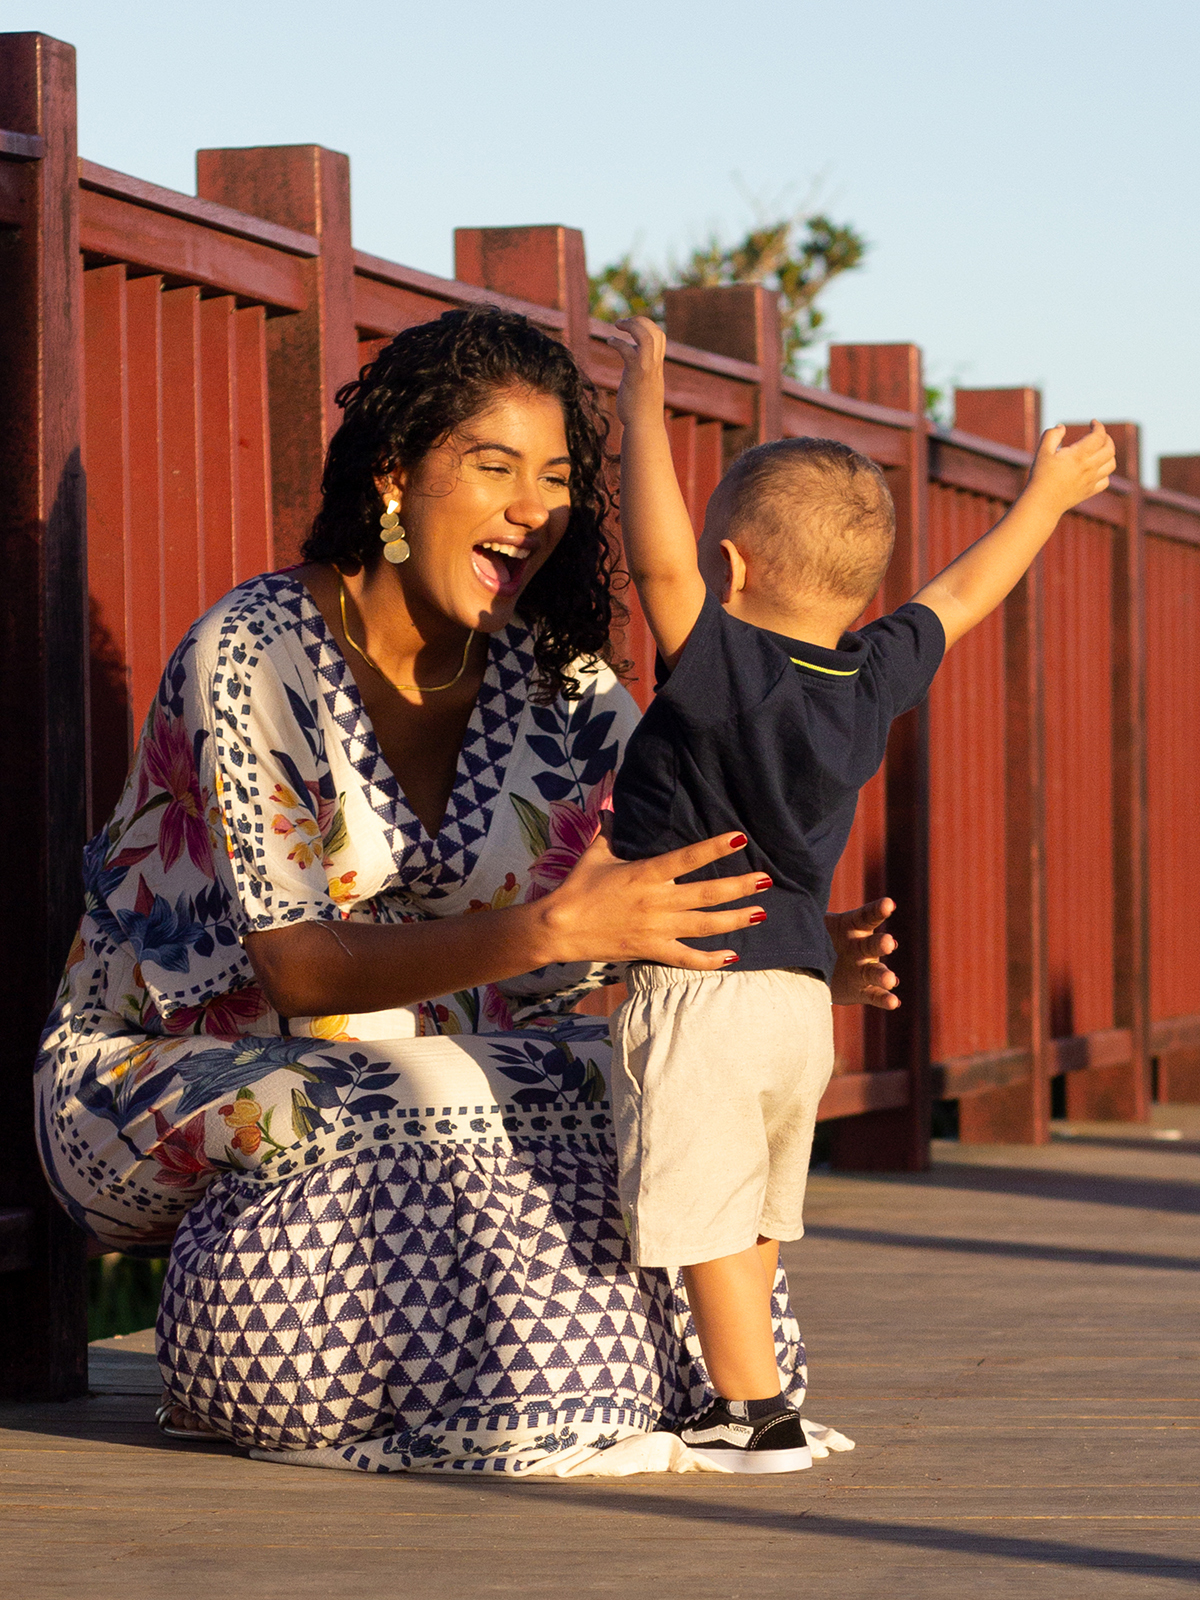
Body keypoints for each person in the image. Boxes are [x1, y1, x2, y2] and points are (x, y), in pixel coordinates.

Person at [36, 306, 899, 1475]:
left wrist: (786, 948)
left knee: (660, 1081)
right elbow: (295, 967)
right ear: (396, 477)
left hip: (455, 1072)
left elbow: (669, 875)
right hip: (168, 1070)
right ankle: (341, 1377)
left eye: (556, 477)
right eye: (494, 466)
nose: (533, 506)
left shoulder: (564, 682)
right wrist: (553, 927)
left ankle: (686, 1395)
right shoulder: (256, 651)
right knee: (405, 1083)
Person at [607, 315, 1115, 1473]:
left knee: (709, 1207)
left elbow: (659, 565)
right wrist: (1045, 497)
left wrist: (640, 404)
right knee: (758, 1205)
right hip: (796, 995)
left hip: (708, 985)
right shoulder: (865, 677)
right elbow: (962, 593)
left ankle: (753, 1406)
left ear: (733, 572)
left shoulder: (730, 671)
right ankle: (751, 1388)